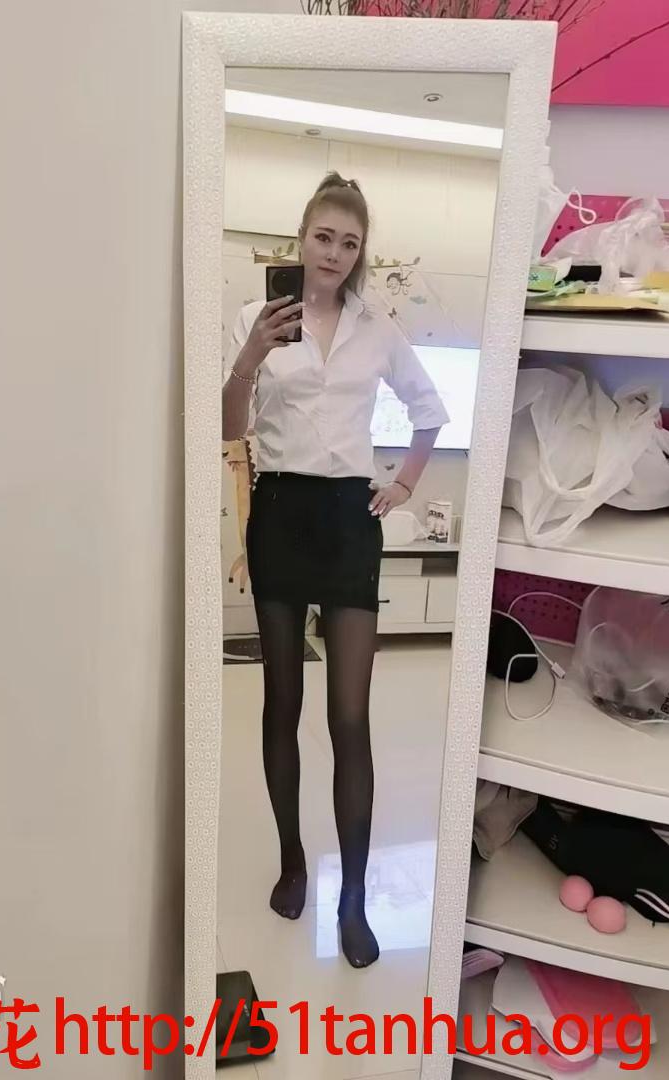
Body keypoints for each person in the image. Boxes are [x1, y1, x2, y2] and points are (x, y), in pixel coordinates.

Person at [222, 172, 448, 968]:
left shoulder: (377, 328)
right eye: (324, 236)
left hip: (351, 520)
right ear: (301, 238)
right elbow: (227, 425)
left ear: (360, 253)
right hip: (280, 513)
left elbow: (430, 412)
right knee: (281, 702)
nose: (334, 253)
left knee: (350, 717)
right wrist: (251, 355)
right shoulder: (255, 319)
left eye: (349, 243)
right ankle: (292, 860)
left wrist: (405, 483)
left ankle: (353, 897)